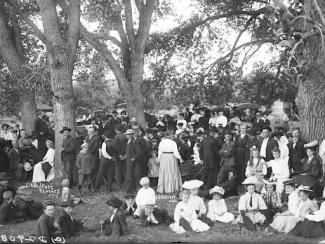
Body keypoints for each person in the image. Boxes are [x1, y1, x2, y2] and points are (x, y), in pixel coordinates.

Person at [114, 124, 128, 190]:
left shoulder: (116, 137)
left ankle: (119, 185)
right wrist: (125, 155)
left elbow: (116, 147)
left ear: (117, 130)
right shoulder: (126, 136)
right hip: (125, 156)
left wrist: (119, 155)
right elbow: (127, 147)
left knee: (118, 171)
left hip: (118, 156)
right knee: (125, 170)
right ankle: (127, 184)